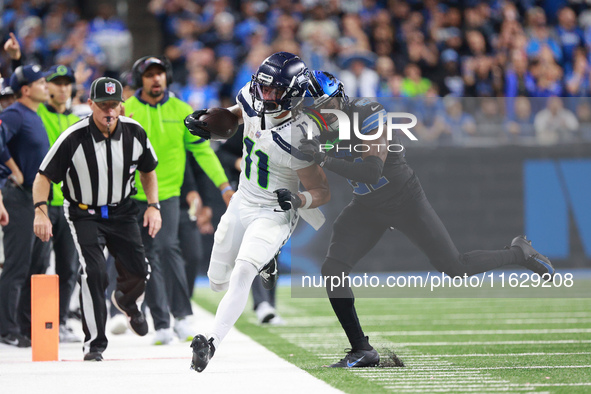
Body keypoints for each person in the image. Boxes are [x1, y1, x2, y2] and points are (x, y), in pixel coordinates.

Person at [299, 71, 555, 368]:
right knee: (333, 269)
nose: (325, 112)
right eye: (318, 107)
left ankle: (519, 252)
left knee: (456, 268)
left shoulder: (367, 113)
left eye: (328, 104)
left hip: (404, 199)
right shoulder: (313, 126)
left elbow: (371, 172)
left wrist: (323, 157)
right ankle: (362, 349)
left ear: (341, 97)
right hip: (366, 205)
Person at [184, 52, 330, 372]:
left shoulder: (302, 135)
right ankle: (269, 259)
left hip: (274, 211)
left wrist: (298, 199)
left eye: (273, 91)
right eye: (262, 87)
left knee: (241, 273)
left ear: (292, 94)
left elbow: (322, 191)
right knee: (216, 280)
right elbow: (237, 115)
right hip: (242, 199)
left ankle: (210, 342)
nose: (265, 95)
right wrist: (213, 121)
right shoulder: (255, 95)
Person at [32, 77, 161, 361]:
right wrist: (40, 210)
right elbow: (43, 176)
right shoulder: (73, 137)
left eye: (114, 104)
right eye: (103, 105)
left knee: (140, 270)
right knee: (95, 272)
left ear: (121, 106)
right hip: (83, 212)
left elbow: (148, 170)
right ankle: (94, 344)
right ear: (90, 105)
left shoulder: (135, 133)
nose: (109, 111)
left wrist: (154, 205)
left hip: (122, 210)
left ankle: (127, 301)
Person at [124, 56, 232, 345]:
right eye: (149, 75)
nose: (156, 79)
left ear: (167, 77)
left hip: (168, 195)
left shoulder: (182, 110)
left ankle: (182, 316)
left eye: (160, 74)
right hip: (129, 196)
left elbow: (203, 153)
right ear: (140, 79)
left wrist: (223, 186)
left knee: (168, 248)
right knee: (147, 256)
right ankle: (160, 322)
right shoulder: (127, 110)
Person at [0, 64, 51, 348]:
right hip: (19, 197)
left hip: (36, 202)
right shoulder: (14, 114)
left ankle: (25, 325)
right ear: (26, 90)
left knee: (37, 265)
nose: (46, 86)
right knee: (18, 266)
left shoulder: (33, 115)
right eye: (41, 82)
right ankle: (6, 328)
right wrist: (12, 169)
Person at [37, 64, 82, 343]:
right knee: (37, 265)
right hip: (42, 203)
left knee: (69, 266)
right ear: (47, 86)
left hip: (70, 204)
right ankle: (32, 323)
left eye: (67, 83)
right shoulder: (37, 113)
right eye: (57, 83)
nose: (63, 88)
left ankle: (61, 321)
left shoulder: (78, 120)